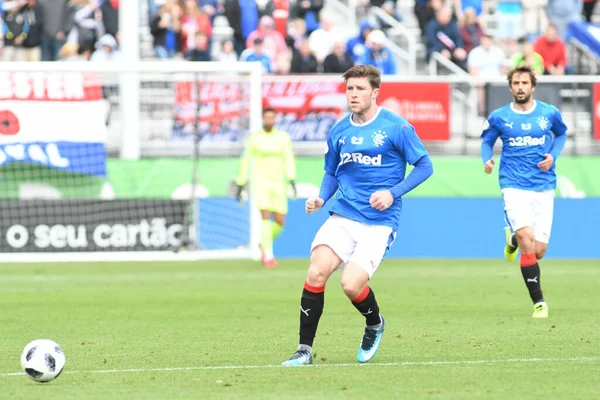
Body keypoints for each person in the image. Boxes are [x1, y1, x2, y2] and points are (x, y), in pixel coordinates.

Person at [281, 65, 434, 366]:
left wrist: (393, 192)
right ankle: (304, 350)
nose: (353, 94)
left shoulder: (396, 127)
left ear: (375, 93)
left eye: (360, 89)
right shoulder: (339, 130)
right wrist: (321, 198)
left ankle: (374, 322)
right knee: (316, 273)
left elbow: (425, 166)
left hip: (379, 223)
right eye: (350, 88)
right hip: (343, 215)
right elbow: (331, 172)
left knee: (351, 284)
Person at [480, 65, 568, 319]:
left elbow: (561, 134)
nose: (520, 87)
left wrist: (553, 154)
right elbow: (487, 140)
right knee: (528, 240)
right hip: (513, 184)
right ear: (510, 87)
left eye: (524, 83)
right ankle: (539, 303)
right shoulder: (500, 116)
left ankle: (512, 240)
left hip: (543, 185)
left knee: (538, 250)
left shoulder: (549, 113)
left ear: (533, 87)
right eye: (516, 83)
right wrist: (487, 159)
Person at [235, 107, 297, 268]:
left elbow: (288, 158)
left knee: (280, 221)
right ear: (263, 119)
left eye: (272, 118)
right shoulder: (254, 138)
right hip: (261, 181)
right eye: (267, 117)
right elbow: (246, 160)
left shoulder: (283, 138)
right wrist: (241, 182)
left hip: (278, 182)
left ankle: (263, 244)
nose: (269, 120)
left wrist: (292, 179)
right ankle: (268, 255)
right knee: (265, 215)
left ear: (275, 119)